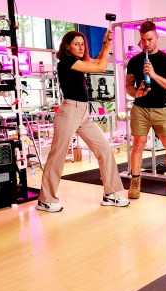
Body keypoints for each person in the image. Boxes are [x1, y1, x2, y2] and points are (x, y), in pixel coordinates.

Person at [37, 29, 129, 212]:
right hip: (70, 111)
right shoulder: (67, 62)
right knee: (58, 156)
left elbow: (98, 61)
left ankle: (111, 194)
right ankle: (45, 199)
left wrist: (105, 45)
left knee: (104, 148)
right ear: (67, 47)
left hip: (83, 114)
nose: (81, 47)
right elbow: (100, 67)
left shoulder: (78, 62)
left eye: (82, 44)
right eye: (76, 44)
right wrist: (109, 45)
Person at [125, 21, 166, 200]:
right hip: (140, 109)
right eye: (143, 40)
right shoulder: (134, 61)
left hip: (161, 110)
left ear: (156, 37)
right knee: (138, 145)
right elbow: (128, 86)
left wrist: (154, 75)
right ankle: (135, 184)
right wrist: (137, 92)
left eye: (150, 39)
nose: (146, 43)